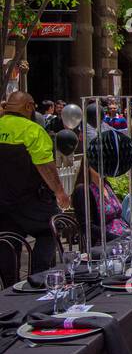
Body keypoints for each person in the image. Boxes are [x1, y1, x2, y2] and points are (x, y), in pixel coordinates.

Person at [0, 91, 71, 280]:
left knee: (7, 242)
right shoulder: (33, 130)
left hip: (4, 203)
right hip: (32, 201)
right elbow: (45, 166)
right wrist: (60, 192)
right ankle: (38, 280)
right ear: (29, 107)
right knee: (49, 231)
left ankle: (8, 288)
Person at [72, 161, 127, 246]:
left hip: (124, 236)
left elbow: (118, 216)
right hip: (105, 243)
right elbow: (87, 227)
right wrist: (117, 238)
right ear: (87, 166)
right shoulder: (83, 190)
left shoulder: (106, 185)